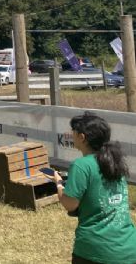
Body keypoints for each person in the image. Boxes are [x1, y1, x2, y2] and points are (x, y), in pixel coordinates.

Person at [53, 112, 136, 264]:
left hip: (95, 251)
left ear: (82, 137)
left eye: (73, 132)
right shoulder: (115, 162)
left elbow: (70, 204)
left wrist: (59, 184)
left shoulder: (81, 165)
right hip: (129, 249)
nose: (71, 135)